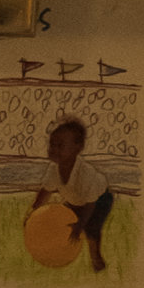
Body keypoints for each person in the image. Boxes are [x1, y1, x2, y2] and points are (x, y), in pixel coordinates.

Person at [31, 112, 114, 273]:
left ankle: (96, 258)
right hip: (77, 199)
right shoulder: (54, 168)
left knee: (91, 229)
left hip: (100, 200)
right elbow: (45, 191)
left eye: (60, 145)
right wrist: (33, 212)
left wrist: (80, 225)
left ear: (78, 148)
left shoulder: (86, 173)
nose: (54, 149)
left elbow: (90, 204)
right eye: (52, 144)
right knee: (61, 221)